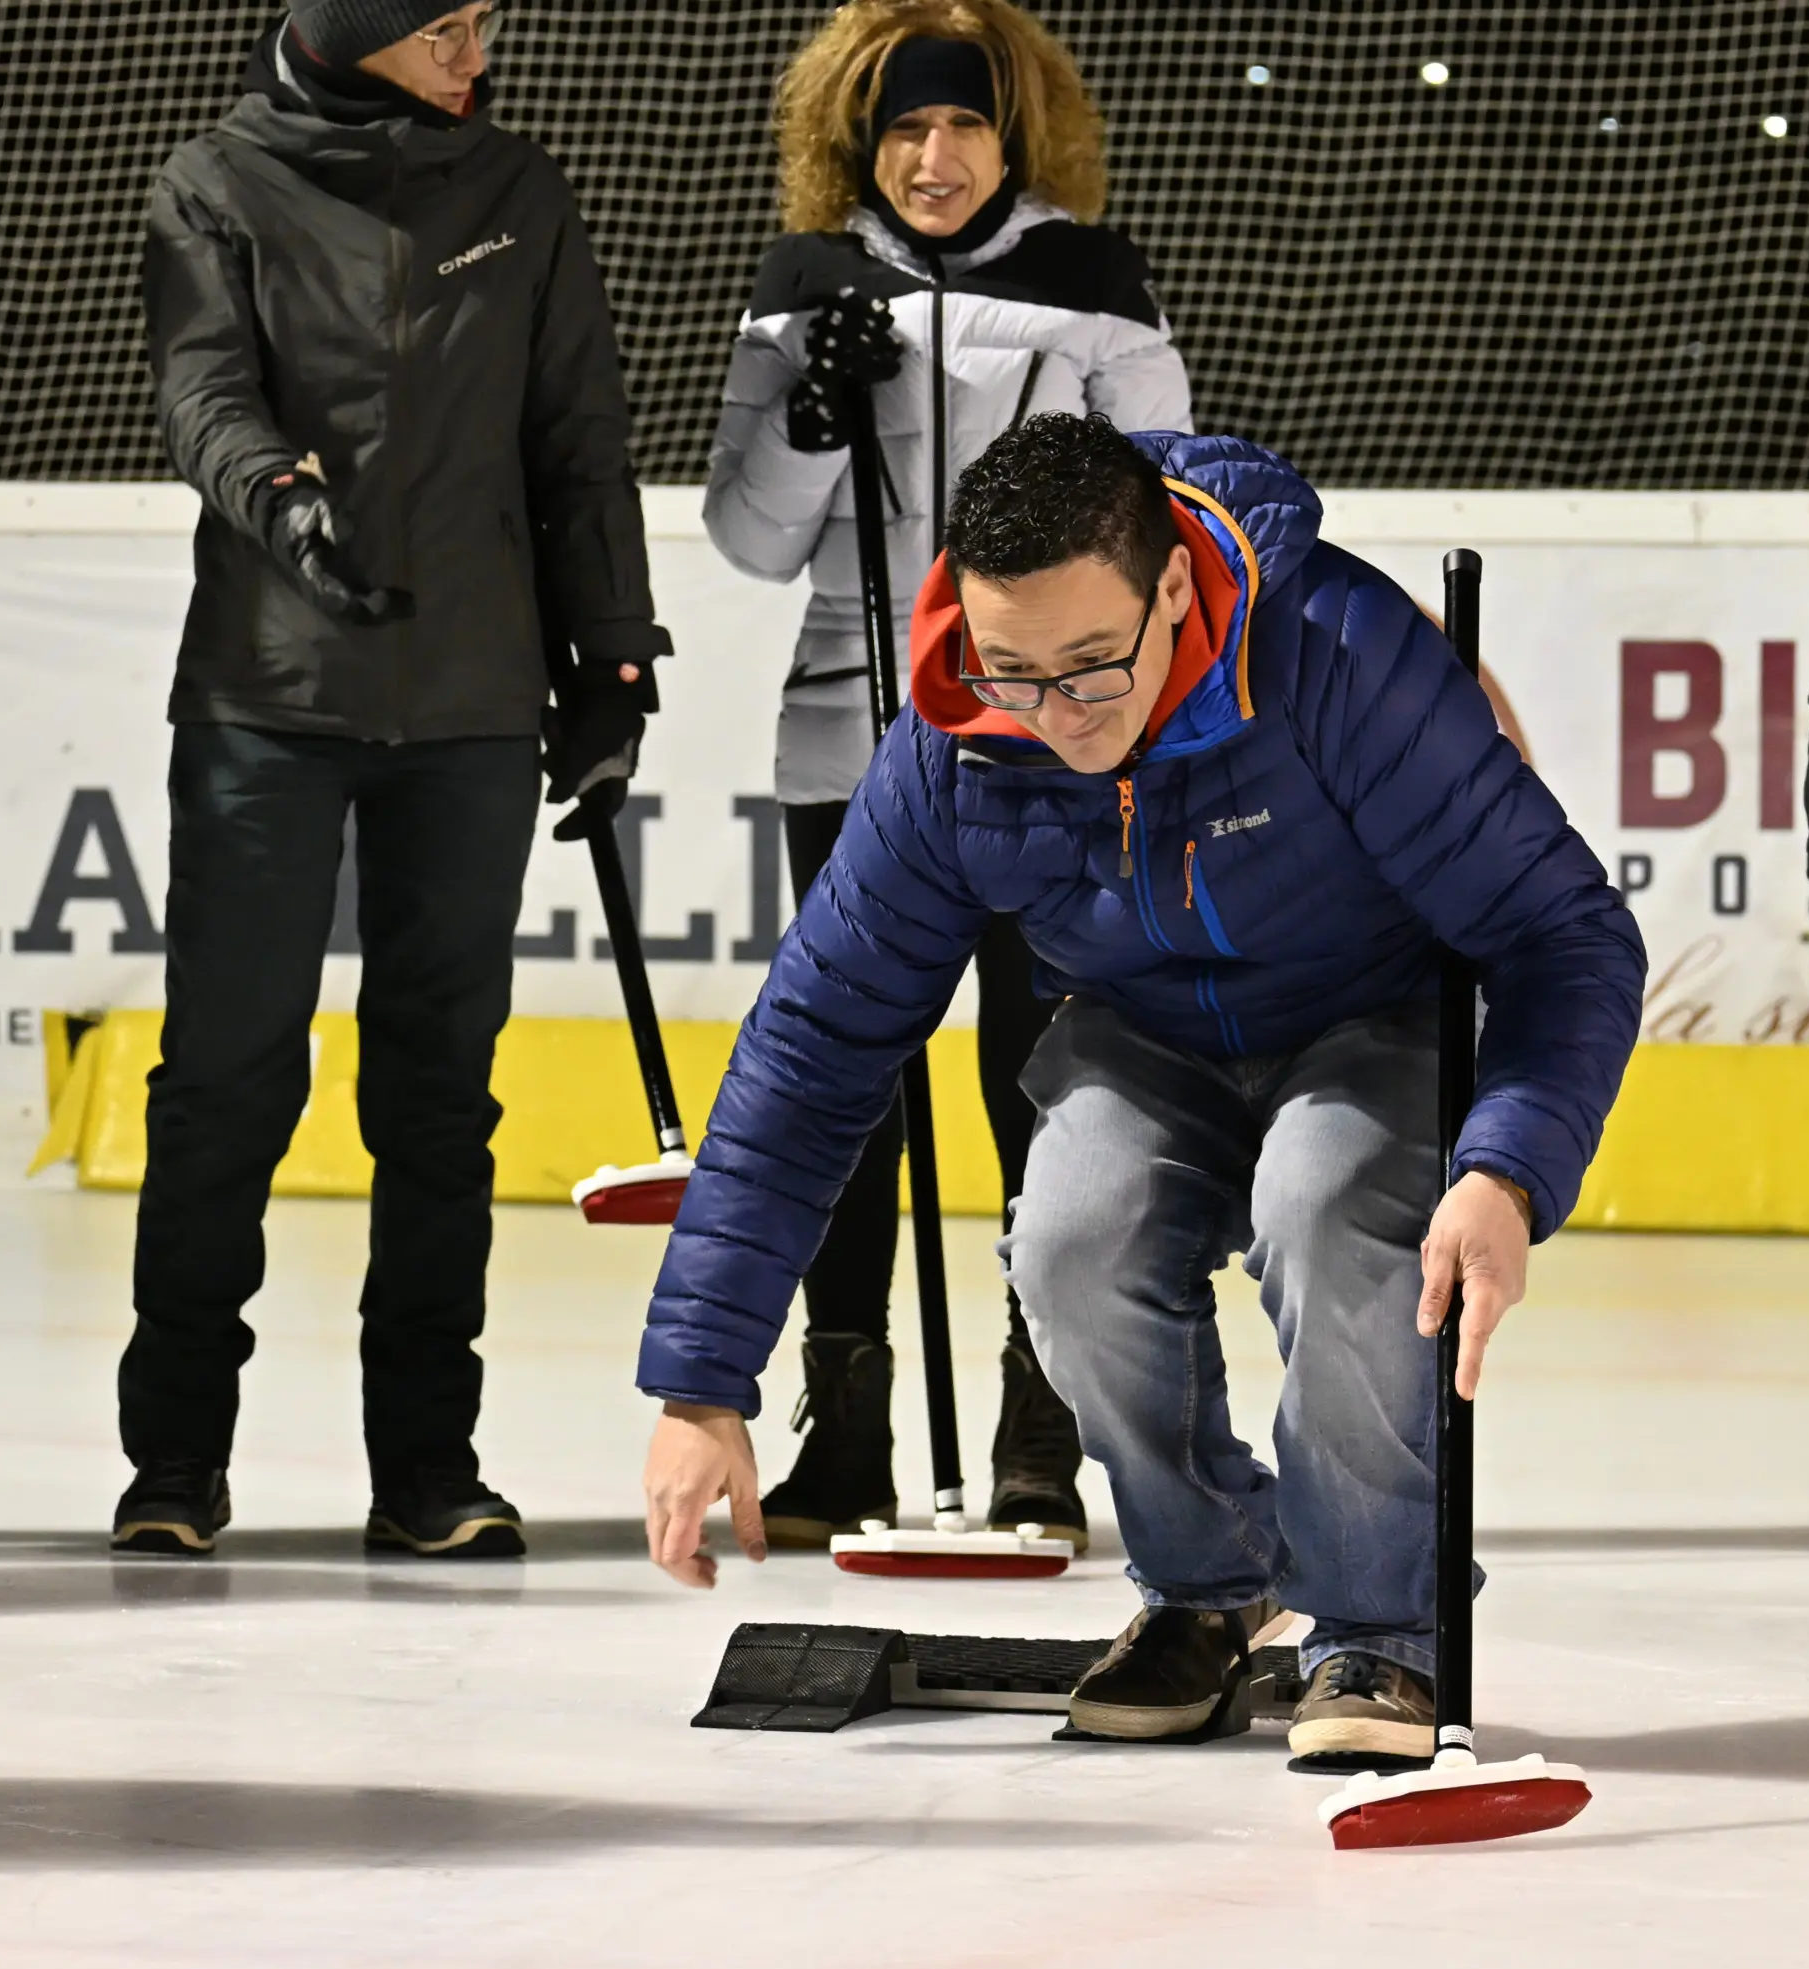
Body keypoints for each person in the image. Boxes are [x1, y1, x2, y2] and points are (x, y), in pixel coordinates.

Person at [642, 415, 1644, 1760]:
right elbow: (813, 1046)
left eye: (1091, 666)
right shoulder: (955, 739)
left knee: (1328, 1200)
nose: (1056, 716)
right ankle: (1210, 1585)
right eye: (1016, 672)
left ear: (1173, 588)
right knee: (1068, 1236)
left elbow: (1566, 934)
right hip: (1145, 1032)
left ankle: (1377, 1630)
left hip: (1378, 1018)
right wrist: (702, 1386)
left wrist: (1505, 1164)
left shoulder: (1336, 658)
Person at [117, 0, 667, 1558]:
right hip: (267, 695)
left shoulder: (517, 191)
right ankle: (175, 1461)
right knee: (227, 1080)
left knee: (438, 1093)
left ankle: (428, 1462)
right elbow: (203, 392)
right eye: (449, 27)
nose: (476, 54)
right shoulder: (214, 184)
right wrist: (282, 500)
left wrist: (611, 655)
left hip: (475, 705)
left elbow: (576, 436)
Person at [704, 0, 1193, 1553]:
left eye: (963, 126)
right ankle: (843, 1422)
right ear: (862, 137)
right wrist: (804, 417)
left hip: (1045, 740)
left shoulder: (1086, 284)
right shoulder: (807, 284)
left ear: (1011, 132)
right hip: (854, 737)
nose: (933, 157)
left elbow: (1167, 513)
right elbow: (750, 535)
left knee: (1033, 1071)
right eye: (906, 130)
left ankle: (1039, 1424)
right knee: (848, 1074)